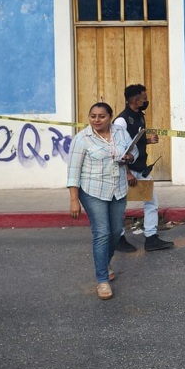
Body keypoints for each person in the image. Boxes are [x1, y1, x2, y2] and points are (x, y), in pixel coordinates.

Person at [67, 102, 137, 300]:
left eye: (101, 116)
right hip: (92, 190)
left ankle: (105, 261)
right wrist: (74, 200)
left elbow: (133, 151)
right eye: (93, 116)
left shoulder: (120, 133)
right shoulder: (82, 139)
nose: (96, 120)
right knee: (102, 232)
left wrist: (131, 157)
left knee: (116, 231)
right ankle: (102, 280)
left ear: (110, 117)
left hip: (118, 189)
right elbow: (73, 172)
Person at [114, 84, 173, 252]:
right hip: (127, 171)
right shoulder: (121, 121)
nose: (146, 101)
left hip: (141, 169)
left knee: (151, 202)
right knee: (120, 205)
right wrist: (127, 173)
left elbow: (131, 142)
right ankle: (118, 239)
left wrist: (147, 141)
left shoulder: (139, 116)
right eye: (144, 99)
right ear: (135, 100)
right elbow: (118, 148)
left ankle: (151, 238)